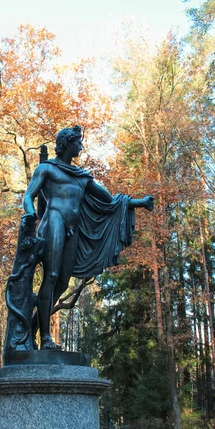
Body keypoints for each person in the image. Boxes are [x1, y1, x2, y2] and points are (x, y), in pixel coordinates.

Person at [23, 125, 154, 350]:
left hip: (72, 230)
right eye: (78, 142)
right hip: (53, 222)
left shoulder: (82, 178)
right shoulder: (46, 169)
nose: (81, 147)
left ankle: (34, 325)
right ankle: (45, 338)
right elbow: (29, 196)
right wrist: (30, 214)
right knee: (52, 275)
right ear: (67, 143)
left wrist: (139, 203)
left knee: (63, 281)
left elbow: (110, 201)